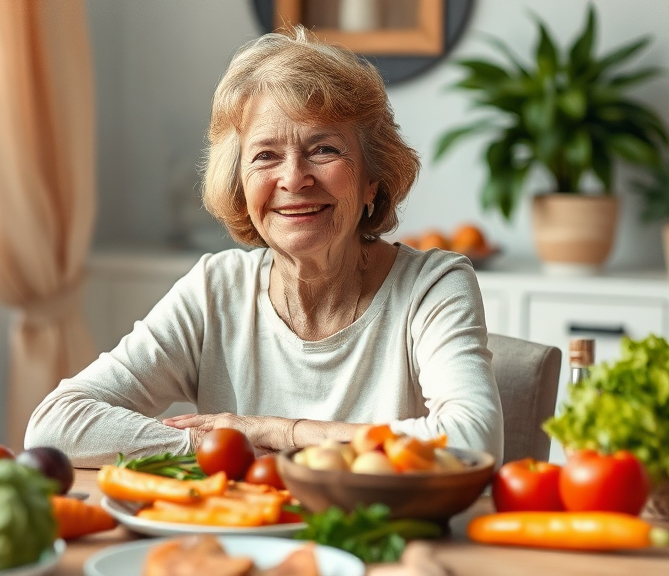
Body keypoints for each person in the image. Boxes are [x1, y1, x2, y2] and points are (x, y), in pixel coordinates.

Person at [25, 27, 503, 467]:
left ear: (371, 182)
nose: (293, 178)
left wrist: (278, 431)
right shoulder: (216, 290)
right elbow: (55, 425)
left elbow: (472, 441)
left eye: (324, 149)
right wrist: (206, 445)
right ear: (240, 186)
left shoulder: (433, 286)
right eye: (266, 156)